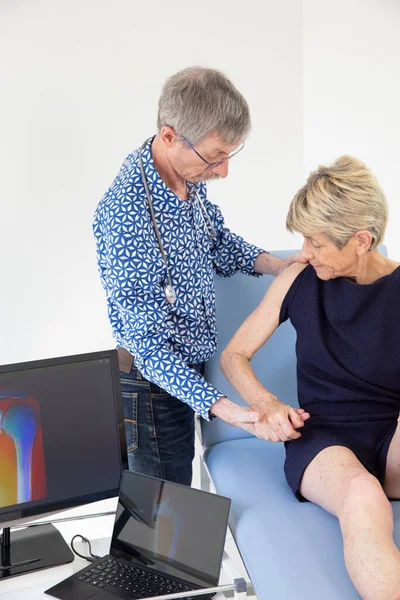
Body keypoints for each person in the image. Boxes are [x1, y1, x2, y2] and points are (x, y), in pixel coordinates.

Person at [92, 66, 306, 487]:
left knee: (174, 511)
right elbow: (149, 349)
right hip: (151, 382)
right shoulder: (126, 215)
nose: (223, 171)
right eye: (215, 156)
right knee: (160, 518)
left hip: (192, 362)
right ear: (169, 136)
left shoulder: (185, 178)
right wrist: (224, 407)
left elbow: (216, 241)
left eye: (231, 154)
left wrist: (280, 266)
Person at [220, 154, 400, 600]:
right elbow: (235, 354)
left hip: (392, 435)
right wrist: (267, 404)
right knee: (362, 496)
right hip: (322, 437)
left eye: (316, 243)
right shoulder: (300, 279)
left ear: (362, 239)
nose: (302, 253)